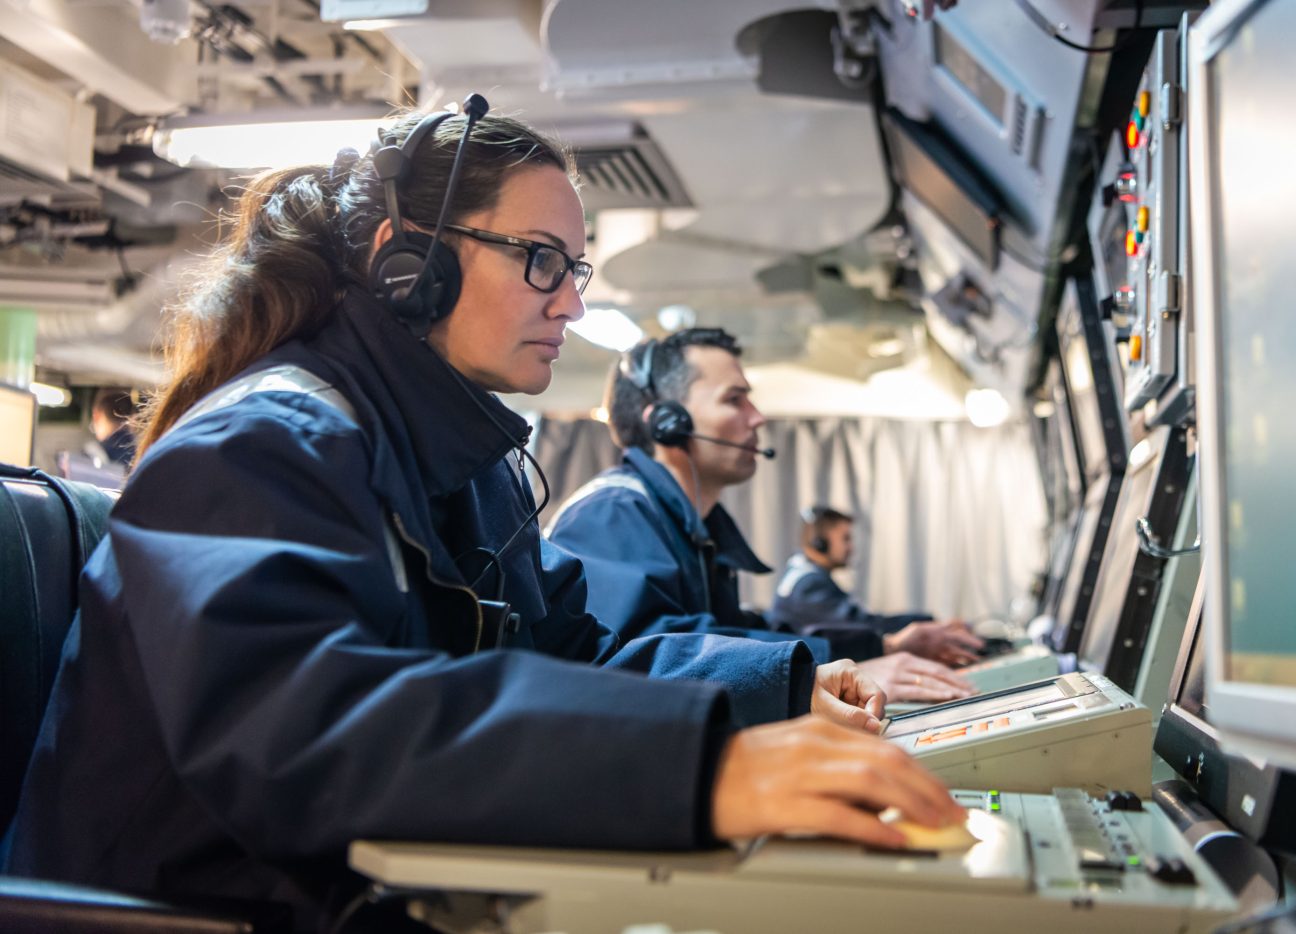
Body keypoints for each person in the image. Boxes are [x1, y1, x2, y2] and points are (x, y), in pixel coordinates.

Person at [2, 103, 963, 931]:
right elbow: (306, 730)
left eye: (576, 268)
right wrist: (695, 769)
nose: (574, 303)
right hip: (223, 912)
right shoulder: (262, 442)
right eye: (543, 261)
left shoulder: (469, 469)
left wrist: (783, 687)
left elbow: (571, 654)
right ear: (407, 265)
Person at [546, 328, 974, 704]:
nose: (758, 417)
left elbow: (732, 635)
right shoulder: (611, 514)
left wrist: (879, 645)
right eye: (735, 399)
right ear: (667, 424)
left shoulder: (689, 529)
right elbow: (648, 659)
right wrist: (812, 676)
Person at [771, 506, 985, 667]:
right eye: (845, 539)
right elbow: (863, 626)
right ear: (820, 543)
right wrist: (928, 622)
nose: (851, 547)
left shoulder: (806, 577)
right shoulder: (807, 584)